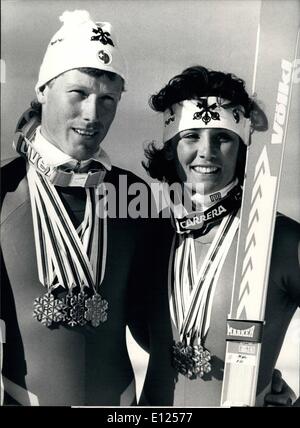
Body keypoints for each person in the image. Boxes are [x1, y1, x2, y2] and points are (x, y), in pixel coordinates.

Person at [0, 10, 150, 406]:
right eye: (78, 93)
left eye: (107, 100)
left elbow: (159, 324)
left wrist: (258, 371)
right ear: (44, 90)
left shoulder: (132, 193)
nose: (92, 114)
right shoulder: (3, 190)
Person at [141, 65, 300, 406]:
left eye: (223, 137)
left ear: (243, 147)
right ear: (170, 147)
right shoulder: (152, 238)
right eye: (191, 135)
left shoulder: (282, 239)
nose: (207, 151)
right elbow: (144, 337)